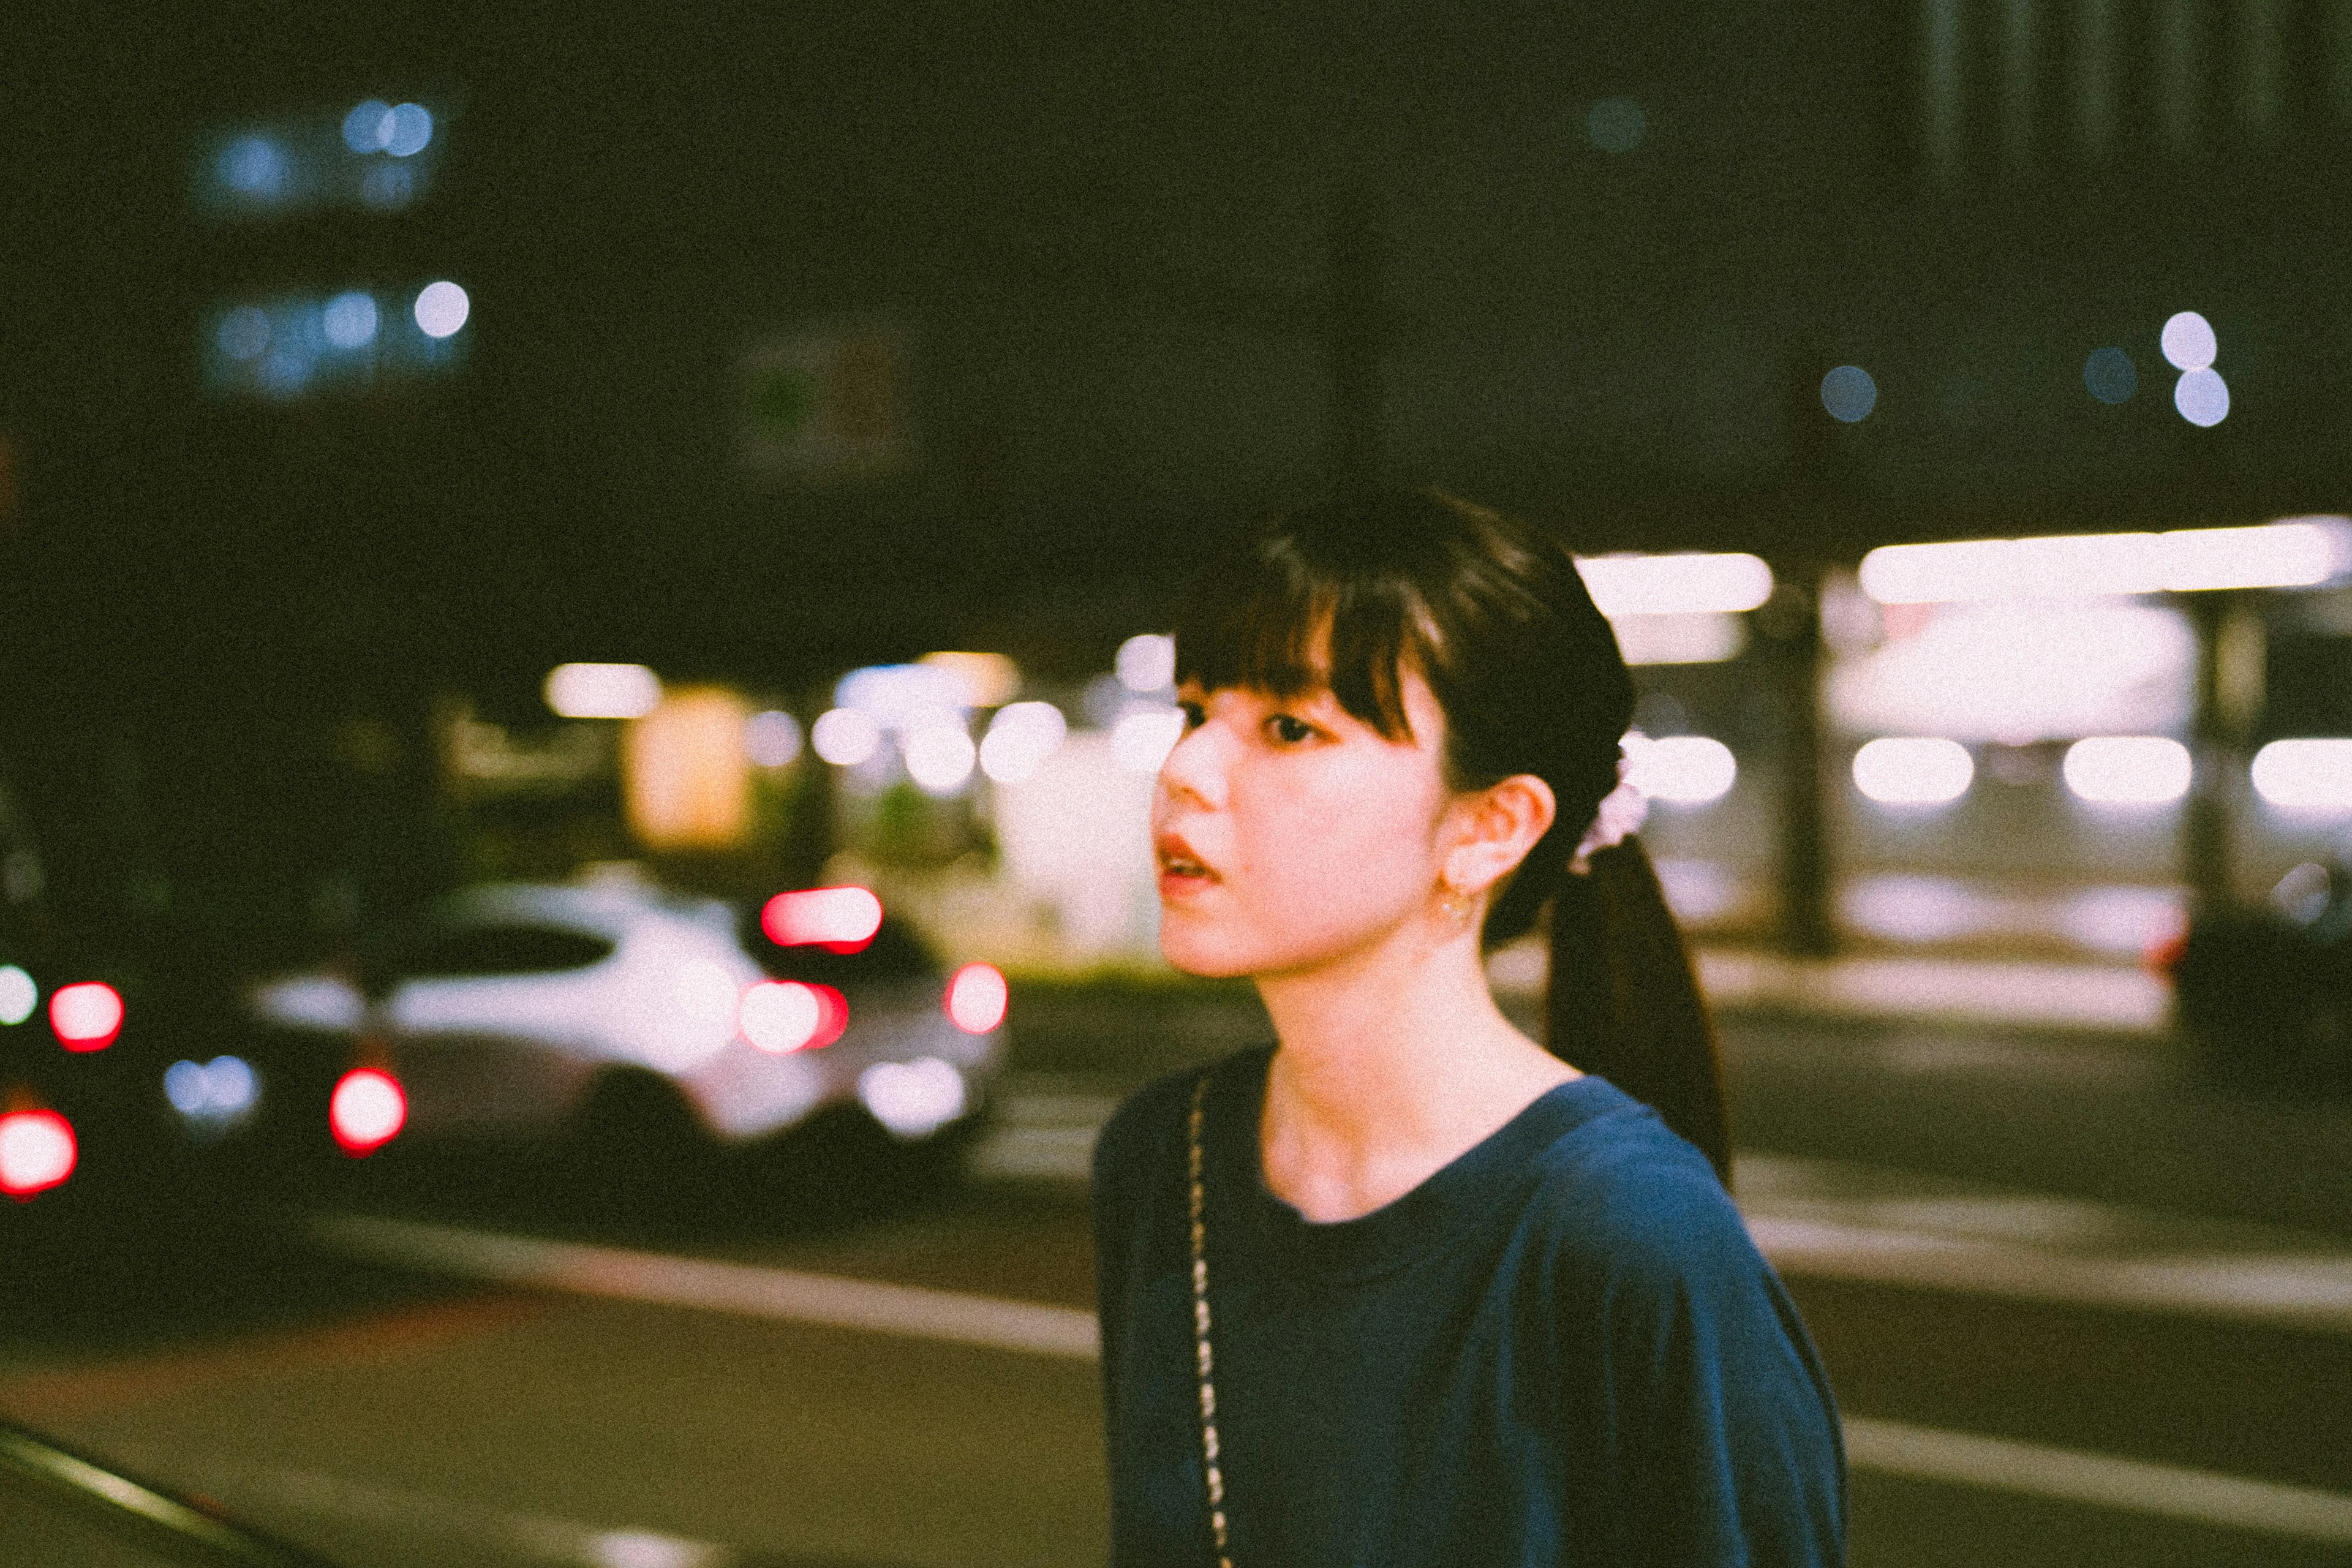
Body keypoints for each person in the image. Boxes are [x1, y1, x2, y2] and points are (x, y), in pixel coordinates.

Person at [1091, 489, 1847, 1566]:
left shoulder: (1632, 1233)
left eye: (1291, 727)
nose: (1185, 771)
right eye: (1197, 711)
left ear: (1490, 827)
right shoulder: (1166, 1158)